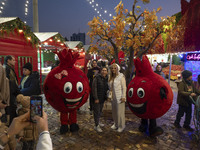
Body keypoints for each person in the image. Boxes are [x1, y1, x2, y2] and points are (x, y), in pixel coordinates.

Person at [108, 63, 126, 132]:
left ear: (118, 69)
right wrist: (109, 96)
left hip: (120, 97)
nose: (113, 69)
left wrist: (123, 96)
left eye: (115, 68)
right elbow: (110, 88)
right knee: (114, 111)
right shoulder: (111, 77)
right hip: (113, 97)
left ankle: (121, 126)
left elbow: (124, 87)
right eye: (112, 68)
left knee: (120, 112)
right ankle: (116, 124)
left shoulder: (121, 76)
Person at [4, 55, 21, 125]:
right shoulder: (7, 69)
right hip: (10, 93)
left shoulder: (8, 68)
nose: (15, 61)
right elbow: (10, 83)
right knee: (11, 109)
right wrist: (17, 92)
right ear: (8, 60)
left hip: (11, 92)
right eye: (13, 60)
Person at [92, 67, 109, 132]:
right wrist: (96, 98)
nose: (104, 72)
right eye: (103, 70)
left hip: (102, 98)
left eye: (105, 70)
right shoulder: (97, 78)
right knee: (96, 112)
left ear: (107, 72)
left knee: (100, 111)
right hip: (97, 98)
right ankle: (96, 125)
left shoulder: (106, 78)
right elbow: (94, 88)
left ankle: (98, 122)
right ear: (101, 71)